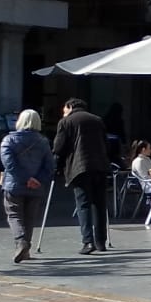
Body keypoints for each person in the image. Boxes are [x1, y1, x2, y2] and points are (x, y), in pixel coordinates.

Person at [53, 97, 111, 255]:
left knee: (83, 204)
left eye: (64, 110)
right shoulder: (97, 120)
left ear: (70, 106)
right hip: (100, 166)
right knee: (99, 204)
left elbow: (58, 147)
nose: (63, 113)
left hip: (80, 168)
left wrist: (57, 166)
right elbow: (106, 144)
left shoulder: (66, 122)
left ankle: (88, 241)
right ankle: (101, 241)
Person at [0, 109, 53, 263]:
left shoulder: (9, 140)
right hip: (36, 186)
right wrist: (36, 180)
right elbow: (49, 166)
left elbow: (9, 164)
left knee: (14, 214)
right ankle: (25, 250)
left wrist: (25, 178)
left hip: (14, 184)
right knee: (29, 218)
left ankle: (21, 241)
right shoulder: (43, 142)